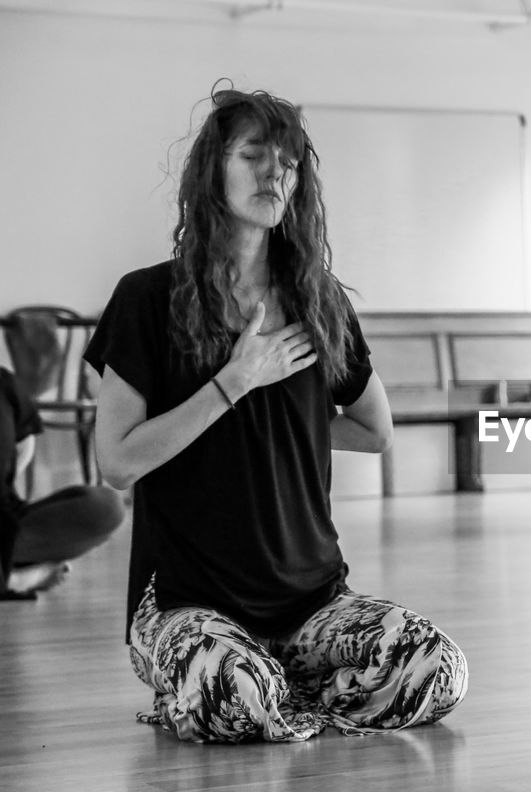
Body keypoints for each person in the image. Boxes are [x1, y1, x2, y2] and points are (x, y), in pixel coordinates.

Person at [83, 84, 467, 743]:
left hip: (310, 604)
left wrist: (278, 425)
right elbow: (116, 462)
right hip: (185, 601)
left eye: (287, 160)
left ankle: (278, 699)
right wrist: (236, 383)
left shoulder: (319, 303)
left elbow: (375, 431)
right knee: (229, 688)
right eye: (254, 154)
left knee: (438, 668)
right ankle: (253, 691)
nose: (274, 171)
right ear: (214, 170)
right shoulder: (147, 298)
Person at [1, 366, 124, 600]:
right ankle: (11, 578)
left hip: (6, 521)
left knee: (106, 506)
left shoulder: (3, 382)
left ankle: (7, 566)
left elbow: (23, 442)